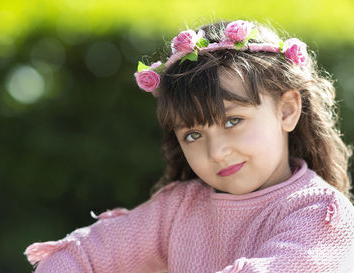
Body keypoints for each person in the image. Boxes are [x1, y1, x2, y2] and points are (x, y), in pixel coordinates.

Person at [25, 19, 354, 272]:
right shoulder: (178, 209)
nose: (216, 152)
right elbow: (78, 257)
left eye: (232, 121)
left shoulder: (323, 218)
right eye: (193, 135)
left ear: (286, 110)